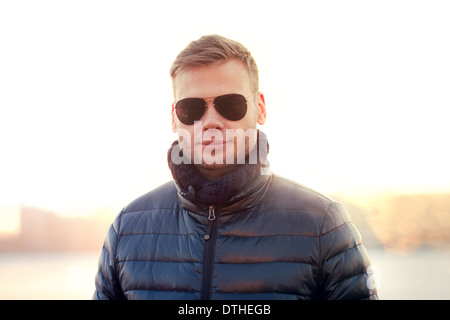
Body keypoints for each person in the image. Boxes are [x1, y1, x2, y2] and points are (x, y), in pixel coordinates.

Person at [93, 34, 378, 300]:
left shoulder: (324, 225)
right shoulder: (127, 229)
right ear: (174, 118)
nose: (211, 122)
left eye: (230, 104)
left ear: (261, 109)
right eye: (191, 108)